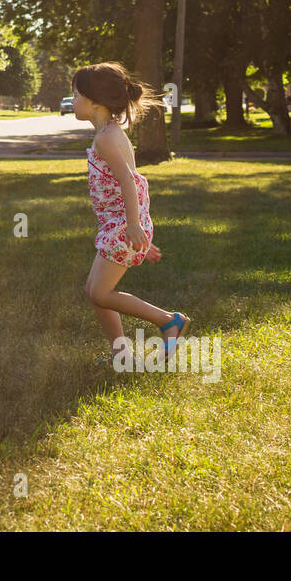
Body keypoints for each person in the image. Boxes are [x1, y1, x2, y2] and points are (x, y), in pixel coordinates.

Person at [73, 62, 191, 362]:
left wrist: (135, 226)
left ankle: (169, 320)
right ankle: (121, 353)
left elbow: (129, 180)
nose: (72, 100)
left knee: (100, 293)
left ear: (94, 101)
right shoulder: (108, 132)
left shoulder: (106, 138)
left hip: (122, 226)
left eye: (75, 94)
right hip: (118, 224)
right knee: (95, 289)